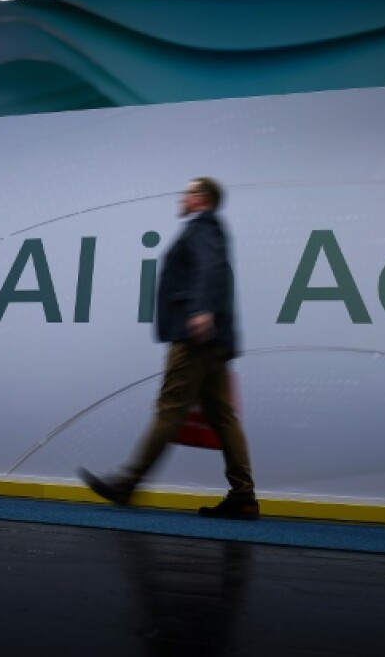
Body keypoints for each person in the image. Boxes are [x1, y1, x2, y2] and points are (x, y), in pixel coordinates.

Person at [79, 177, 259, 520]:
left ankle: (126, 483)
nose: (183, 197)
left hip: (195, 337)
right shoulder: (211, 228)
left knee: (170, 409)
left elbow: (210, 268)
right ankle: (243, 495)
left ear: (202, 198)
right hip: (214, 340)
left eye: (188, 192)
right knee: (223, 417)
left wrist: (200, 311)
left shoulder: (203, 227)